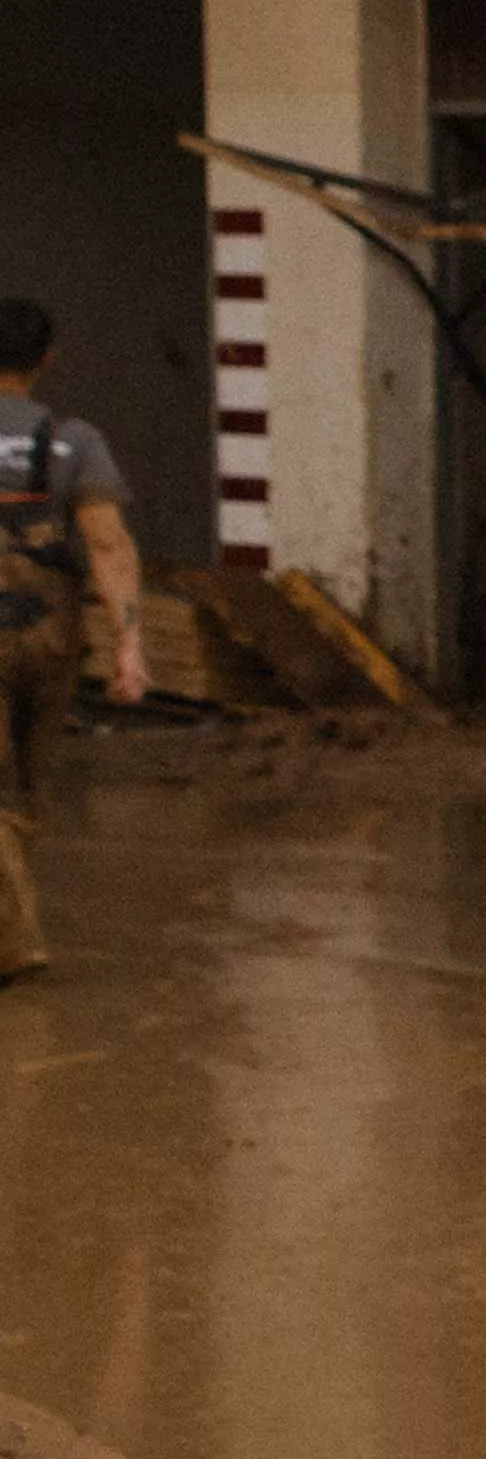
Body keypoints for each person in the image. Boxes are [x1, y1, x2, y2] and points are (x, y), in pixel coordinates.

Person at [0, 290, 149, 984]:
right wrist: (129, 647)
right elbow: (108, 546)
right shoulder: (74, 442)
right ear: (47, 360)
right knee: (24, 790)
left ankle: (13, 943)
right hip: (49, 638)